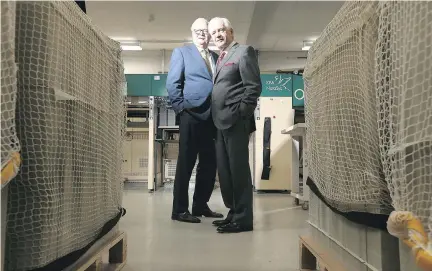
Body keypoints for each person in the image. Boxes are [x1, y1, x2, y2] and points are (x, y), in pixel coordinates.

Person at [166, 18, 223, 223]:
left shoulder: (217, 56)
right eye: (197, 30)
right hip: (191, 114)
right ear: (191, 33)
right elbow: (173, 83)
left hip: (213, 117)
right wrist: (181, 108)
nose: (201, 34)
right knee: (186, 163)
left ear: (210, 34)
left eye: (205, 31)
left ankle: (200, 205)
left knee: (209, 163)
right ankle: (179, 210)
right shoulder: (182, 52)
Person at [208, 17, 262, 233]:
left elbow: (253, 87)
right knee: (226, 171)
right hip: (220, 123)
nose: (218, 35)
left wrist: (242, 114)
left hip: (235, 121)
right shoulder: (220, 58)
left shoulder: (244, 51)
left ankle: (243, 219)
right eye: (214, 33)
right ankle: (233, 212)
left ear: (231, 31)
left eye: (221, 30)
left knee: (238, 171)